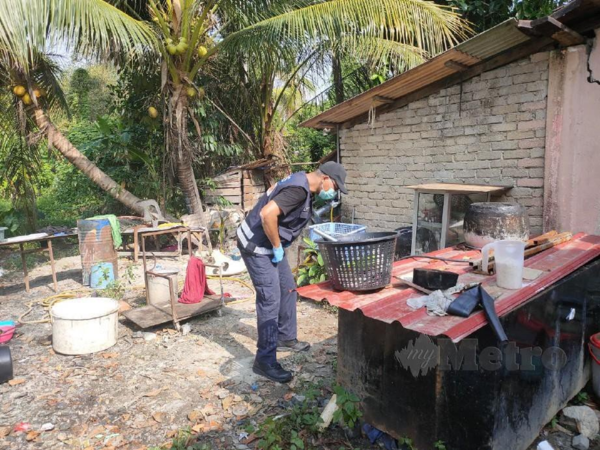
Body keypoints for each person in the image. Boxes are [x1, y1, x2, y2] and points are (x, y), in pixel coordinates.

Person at [237, 162, 348, 383]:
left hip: (268, 244)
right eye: (335, 187)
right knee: (270, 299)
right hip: (257, 246)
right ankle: (264, 361)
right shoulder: (299, 190)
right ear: (325, 179)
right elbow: (267, 214)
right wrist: (277, 247)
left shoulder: (301, 181)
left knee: (288, 288)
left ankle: (285, 337)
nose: (333, 193)